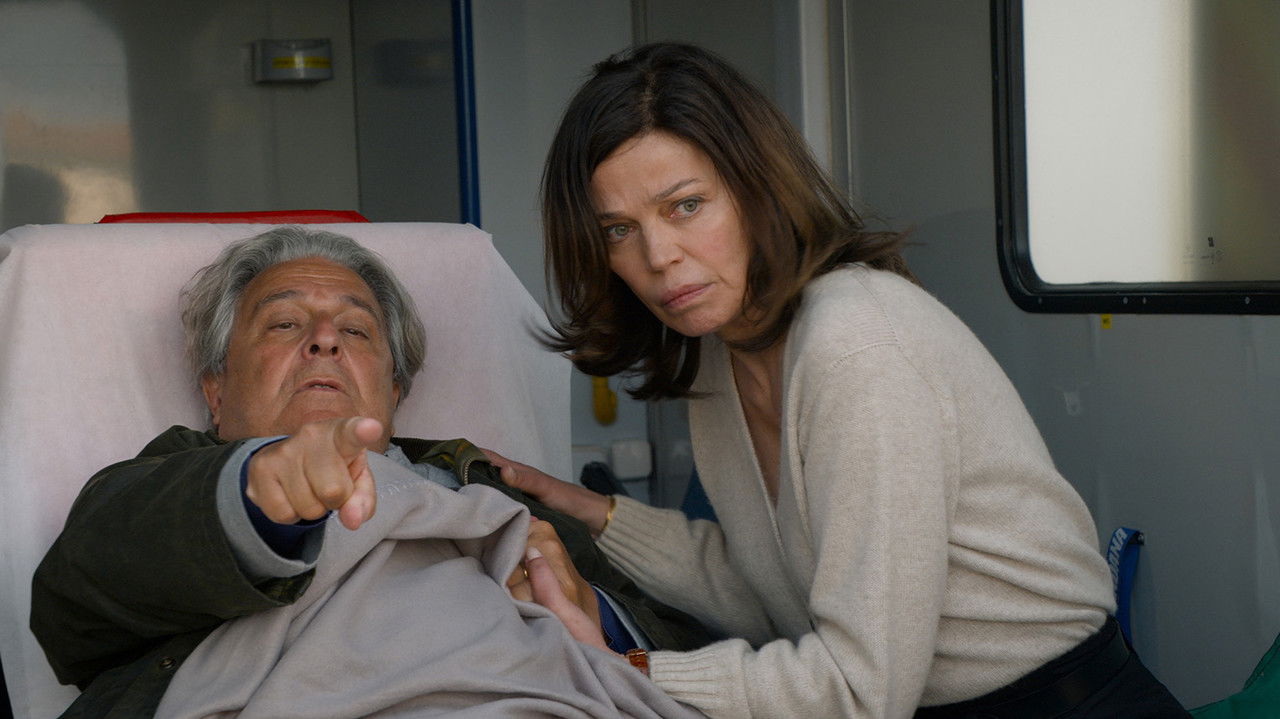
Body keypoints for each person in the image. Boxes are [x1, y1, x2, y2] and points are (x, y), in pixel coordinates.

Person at [481, 43, 1191, 718]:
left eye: (685, 205)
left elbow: (860, 690)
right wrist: (591, 513)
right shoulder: (726, 352)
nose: (658, 255)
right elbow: (769, 590)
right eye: (618, 230)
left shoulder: (855, 344)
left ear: (757, 190)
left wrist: (628, 669)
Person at [30, 226, 711, 719]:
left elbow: (692, 646)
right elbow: (71, 612)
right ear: (216, 389)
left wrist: (597, 614)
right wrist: (255, 500)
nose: (324, 339)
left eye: (355, 330)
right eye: (283, 323)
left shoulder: (490, 491)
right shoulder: (163, 488)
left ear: (394, 391)